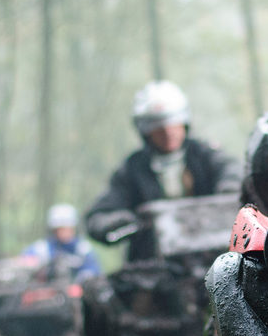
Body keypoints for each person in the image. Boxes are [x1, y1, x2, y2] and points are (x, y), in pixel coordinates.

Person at [85, 80, 242, 260]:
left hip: (212, 258)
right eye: (158, 127)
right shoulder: (133, 169)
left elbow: (232, 171)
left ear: (184, 123)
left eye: (173, 123)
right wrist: (119, 221)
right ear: (145, 131)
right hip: (153, 266)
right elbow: (97, 217)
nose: (168, 132)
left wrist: (228, 192)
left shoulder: (205, 155)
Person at [22, 203, 102, 283]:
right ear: (54, 230)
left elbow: (93, 271)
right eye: (61, 229)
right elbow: (24, 263)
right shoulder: (41, 249)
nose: (65, 232)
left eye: (68, 228)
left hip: (77, 293)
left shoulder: (83, 249)